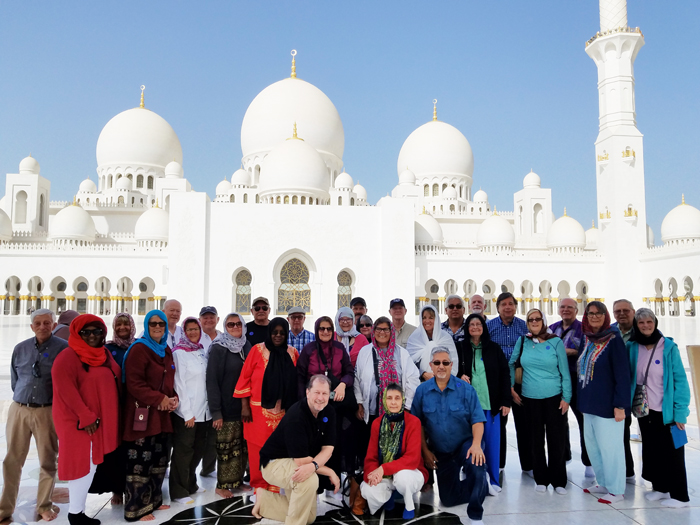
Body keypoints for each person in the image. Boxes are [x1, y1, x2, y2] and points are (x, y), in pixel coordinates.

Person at [52, 314, 122, 525]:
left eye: (97, 331)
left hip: (99, 421)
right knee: (82, 464)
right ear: (77, 333)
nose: (92, 336)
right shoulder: (68, 357)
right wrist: (85, 416)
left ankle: (78, 511)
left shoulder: (104, 355)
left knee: (91, 463)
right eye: (87, 332)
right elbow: (65, 390)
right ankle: (75, 514)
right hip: (81, 423)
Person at [0, 309, 67, 524]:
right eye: (37, 323)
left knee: (47, 460)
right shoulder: (21, 349)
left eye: (47, 323)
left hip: (46, 410)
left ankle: (44, 505)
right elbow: (14, 379)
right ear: (31, 326)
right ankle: (4, 508)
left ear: (53, 324)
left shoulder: (63, 349)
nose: (42, 327)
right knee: (12, 459)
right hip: (19, 408)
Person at [411, 348, 488, 525]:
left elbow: (477, 420)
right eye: (437, 363)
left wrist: (476, 445)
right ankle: (481, 485)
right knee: (448, 498)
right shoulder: (422, 391)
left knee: (476, 465)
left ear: (451, 365)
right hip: (441, 450)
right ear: (431, 365)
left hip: (465, 444)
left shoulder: (466, 389)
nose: (441, 366)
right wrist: (425, 452)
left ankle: (476, 515)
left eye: (445, 363)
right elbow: (418, 425)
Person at [353, 317, 420, 515]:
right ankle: (381, 485)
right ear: (373, 331)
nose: (382, 332)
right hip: (374, 411)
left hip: (396, 411)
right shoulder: (366, 351)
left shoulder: (401, 353)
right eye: (378, 329)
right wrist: (359, 402)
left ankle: (398, 490)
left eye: (386, 329)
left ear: (392, 331)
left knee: (399, 449)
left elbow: (412, 379)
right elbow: (357, 379)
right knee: (376, 450)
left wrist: (405, 407)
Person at [252, 375, 340, 525]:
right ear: (307, 392)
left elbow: (328, 448)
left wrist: (314, 466)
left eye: (325, 393)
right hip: (274, 463)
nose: (320, 398)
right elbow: (302, 462)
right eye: (316, 392)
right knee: (309, 479)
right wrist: (329, 471)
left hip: (296, 461)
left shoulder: (329, 412)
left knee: (310, 517)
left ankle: (265, 501)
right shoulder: (297, 416)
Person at [628, 308, 690, 508]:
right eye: (641, 323)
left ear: (655, 323)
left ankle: (680, 496)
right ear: (636, 325)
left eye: (649, 322)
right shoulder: (633, 346)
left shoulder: (668, 347)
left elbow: (680, 381)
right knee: (652, 450)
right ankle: (661, 488)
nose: (645, 326)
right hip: (644, 410)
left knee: (673, 452)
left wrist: (680, 412)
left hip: (667, 411)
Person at [122, 310, 178, 521]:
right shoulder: (139, 349)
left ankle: (153, 501)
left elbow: (170, 379)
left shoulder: (166, 350)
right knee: (140, 460)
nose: (157, 327)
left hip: (162, 415)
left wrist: (174, 398)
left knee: (159, 458)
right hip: (142, 414)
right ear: (146, 326)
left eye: (161, 324)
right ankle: (136, 508)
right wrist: (159, 399)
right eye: (153, 324)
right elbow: (135, 384)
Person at [234, 318, 299, 495]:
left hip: (283, 412)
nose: (278, 336)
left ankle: (275, 483)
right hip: (257, 411)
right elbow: (244, 378)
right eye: (274, 332)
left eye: (282, 333)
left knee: (279, 448)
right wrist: (244, 406)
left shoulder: (292, 353)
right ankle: (260, 485)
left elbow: (296, 383)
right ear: (269, 332)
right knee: (257, 449)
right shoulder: (257, 350)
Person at [509, 309, 571, 494]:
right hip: (530, 398)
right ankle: (541, 479)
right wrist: (511, 387)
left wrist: (566, 398)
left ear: (543, 321)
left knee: (556, 439)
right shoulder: (523, 341)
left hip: (554, 397)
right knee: (535, 440)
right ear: (527, 323)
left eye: (538, 319)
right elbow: (511, 363)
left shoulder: (555, 341)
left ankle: (559, 481)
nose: (534, 322)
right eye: (531, 319)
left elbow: (565, 372)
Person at [577, 301, 631, 505]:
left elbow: (623, 374)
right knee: (594, 447)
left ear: (605, 315)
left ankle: (616, 490)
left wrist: (620, 405)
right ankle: (603, 482)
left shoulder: (614, 339)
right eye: (590, 313)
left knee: (611, 448)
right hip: (588, 404)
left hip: (609, 406)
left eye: (599, 313)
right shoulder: (587, 338)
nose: (594, 316)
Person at [296, 317, 354, 495]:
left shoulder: (339, 348)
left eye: (329, 328)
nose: (326, 332)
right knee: (314, 442)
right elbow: (300, 376)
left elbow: (349, 371)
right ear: (317, 329)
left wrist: (343, 384)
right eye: (322, 329)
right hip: (313, 404)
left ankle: (332, 481)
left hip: (334, 405)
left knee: (332, 440)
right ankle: (316, 481)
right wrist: (303, 402)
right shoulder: (309, 350)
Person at [459, 314, 511, 494]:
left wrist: (505, 401)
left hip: (491, 405)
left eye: (478, 324)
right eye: (471, 324)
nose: (475, 327)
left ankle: (493, 480)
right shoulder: (461, 347)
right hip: (469, 408)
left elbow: (505, 375)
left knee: (491, 444)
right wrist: (459, 376)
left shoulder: (494, 348)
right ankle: (472, 477)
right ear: (467, 328)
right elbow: (453, 370)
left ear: (483, 327)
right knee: (472, 444)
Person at [360, 383, 428, 520]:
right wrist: (373, 474)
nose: (393, 402)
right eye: (389, 398)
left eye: (397, 398)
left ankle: (409, 506)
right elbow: (371, 457)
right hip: (385, 475)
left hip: (411, 472)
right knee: (367, 488)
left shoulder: (413, 422)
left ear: (403, 400)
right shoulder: (377, 423)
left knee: (403, 477)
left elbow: (412, 459)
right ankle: (388, 498)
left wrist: (383, 469)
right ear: (384, 400)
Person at [206, 313, 252, 498]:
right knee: (226, 449)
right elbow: (212, 381)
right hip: (226, 408)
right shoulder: (219, 348)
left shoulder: (246, 345)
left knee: (241, 448)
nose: (235, 328)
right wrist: (216, 412)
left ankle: (237, 481)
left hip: (244, 408)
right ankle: (222, 485)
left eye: (238, 324)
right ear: (225, 327)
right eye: (230, 324)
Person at [170, 318, 211, 504]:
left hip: (203, 412)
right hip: (188, 413)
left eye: (196, 329)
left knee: (198, 450)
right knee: (183, 451)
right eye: (189, 329)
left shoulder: (200, 350)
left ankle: (191, 483)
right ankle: (178, 491)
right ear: (183, 332)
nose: (193, 332)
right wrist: (187, 413)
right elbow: (178, 384)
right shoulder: (179, 353)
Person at [486, 292, 528, 471]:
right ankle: (499, 464)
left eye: (511, 304)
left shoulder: (523, 326)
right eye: (503, 304)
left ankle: (528, 465)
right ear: (498, 308)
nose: (507, 307)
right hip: (498, 381)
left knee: (524, 424)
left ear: (515, 306)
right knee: (499, 425)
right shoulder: (490, 327)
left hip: (520, 379)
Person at [549, 299, 590, 476]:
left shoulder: (584, 329)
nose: (565, 310)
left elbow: (589, 351)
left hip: (576, 378)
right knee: (559, 420)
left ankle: (589, 462)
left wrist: (572, 352)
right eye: (562, 307)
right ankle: (563, 456)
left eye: (569, 307)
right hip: (556, 378)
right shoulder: (552, 328)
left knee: (583, 420)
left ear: (576, 310)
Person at [612, 299, 636, 483]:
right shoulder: (610, 332)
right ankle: (626, 471)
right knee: (621, 432)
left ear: (633, 312)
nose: (622, 314)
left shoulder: (643, 329)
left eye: (625, 310)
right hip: (619, 389)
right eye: (618, 311)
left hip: (640, 388)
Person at [406, 305, 458, 381]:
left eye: (431, 318)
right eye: (424, 318)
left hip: (444, 380)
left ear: (436, 319)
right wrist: (423, 373)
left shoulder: (445, 337)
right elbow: (409, 363)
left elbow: (452, 360)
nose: (427, 321)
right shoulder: (414, 338)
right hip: (421, 381)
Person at [197, 306, 220, 479]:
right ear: (200, 320)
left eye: (212, 317)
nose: (208, 321)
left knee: (214, 432)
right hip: (198, 391)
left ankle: (208, 468)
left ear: (217, 320)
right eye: (205, 318)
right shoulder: (196, 339)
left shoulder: (223, 338)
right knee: (198, 435)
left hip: (217, 390)